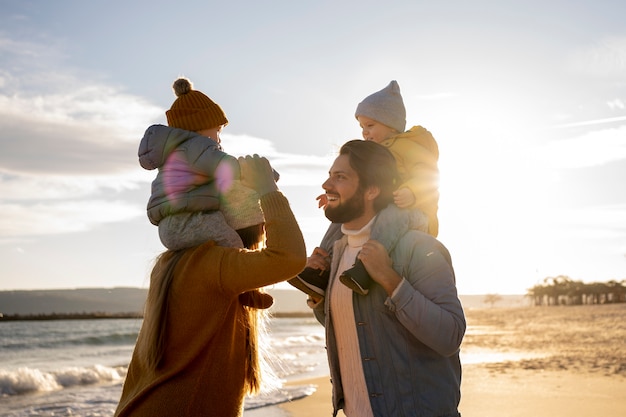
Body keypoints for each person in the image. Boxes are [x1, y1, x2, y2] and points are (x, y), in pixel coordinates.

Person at [114, 154, 307, 417]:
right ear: (256, 228)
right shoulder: (216, 264)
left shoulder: (172, 262)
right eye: (265, 226)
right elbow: (290, 257)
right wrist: (268, 191)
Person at [307, 139, 464, 417]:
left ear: (372, 190)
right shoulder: (337, 252)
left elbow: (450, 336)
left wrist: (390, 279)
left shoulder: (419, 248)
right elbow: (355, 327)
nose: (327, 185)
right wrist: (321, 301)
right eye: (330, 175)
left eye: (340, 177)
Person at [290, 80, 440, 296]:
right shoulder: (374, 154)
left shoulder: (411, 146)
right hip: (387, 205)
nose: (365, 133)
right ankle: (319, 269)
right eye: (362, 127)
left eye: (370, 126)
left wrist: (413, 192)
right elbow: (356, 184)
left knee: (391, 216)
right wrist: (336, 196)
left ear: (391, 124)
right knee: (341, 217)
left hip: (414, 212)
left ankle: (366, 268)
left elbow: (429, 176)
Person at [140, 76, 277, 305]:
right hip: (189, 220)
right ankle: (246, 289)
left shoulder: (176, 154)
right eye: (218, 130)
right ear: (200, 127)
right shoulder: (197, 147)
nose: (219, 138)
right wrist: (258, 172)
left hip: (170, 227)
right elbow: (224, 167)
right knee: (232, 242)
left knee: (224, 233)